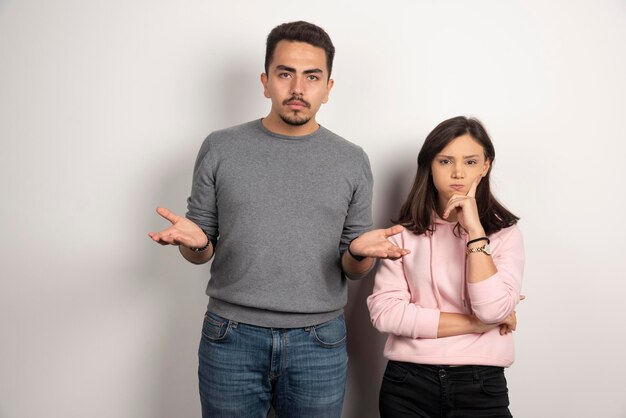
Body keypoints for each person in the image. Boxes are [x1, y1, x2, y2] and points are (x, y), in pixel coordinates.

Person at [148, 21, 408, 418]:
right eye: (285, 74)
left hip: (318, 342)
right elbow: (200, 251)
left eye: (312, 76)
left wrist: (358, 253)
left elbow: (353, 268)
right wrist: (197, 243)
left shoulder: (351, 160)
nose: (298, 89)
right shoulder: (221, 148)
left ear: (328, 87)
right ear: (266, 81)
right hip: (230, 336)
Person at [367, 116, 525, 418]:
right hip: (407, 384)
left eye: (469, 162)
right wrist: (476, 325)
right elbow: (386, 314)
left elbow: (491, 310)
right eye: (445, 160)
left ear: (485, 166)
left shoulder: (505, 234)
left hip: (481, 385)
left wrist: (475, 231)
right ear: (429, 164)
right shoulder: (402, 234)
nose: (457, 172)